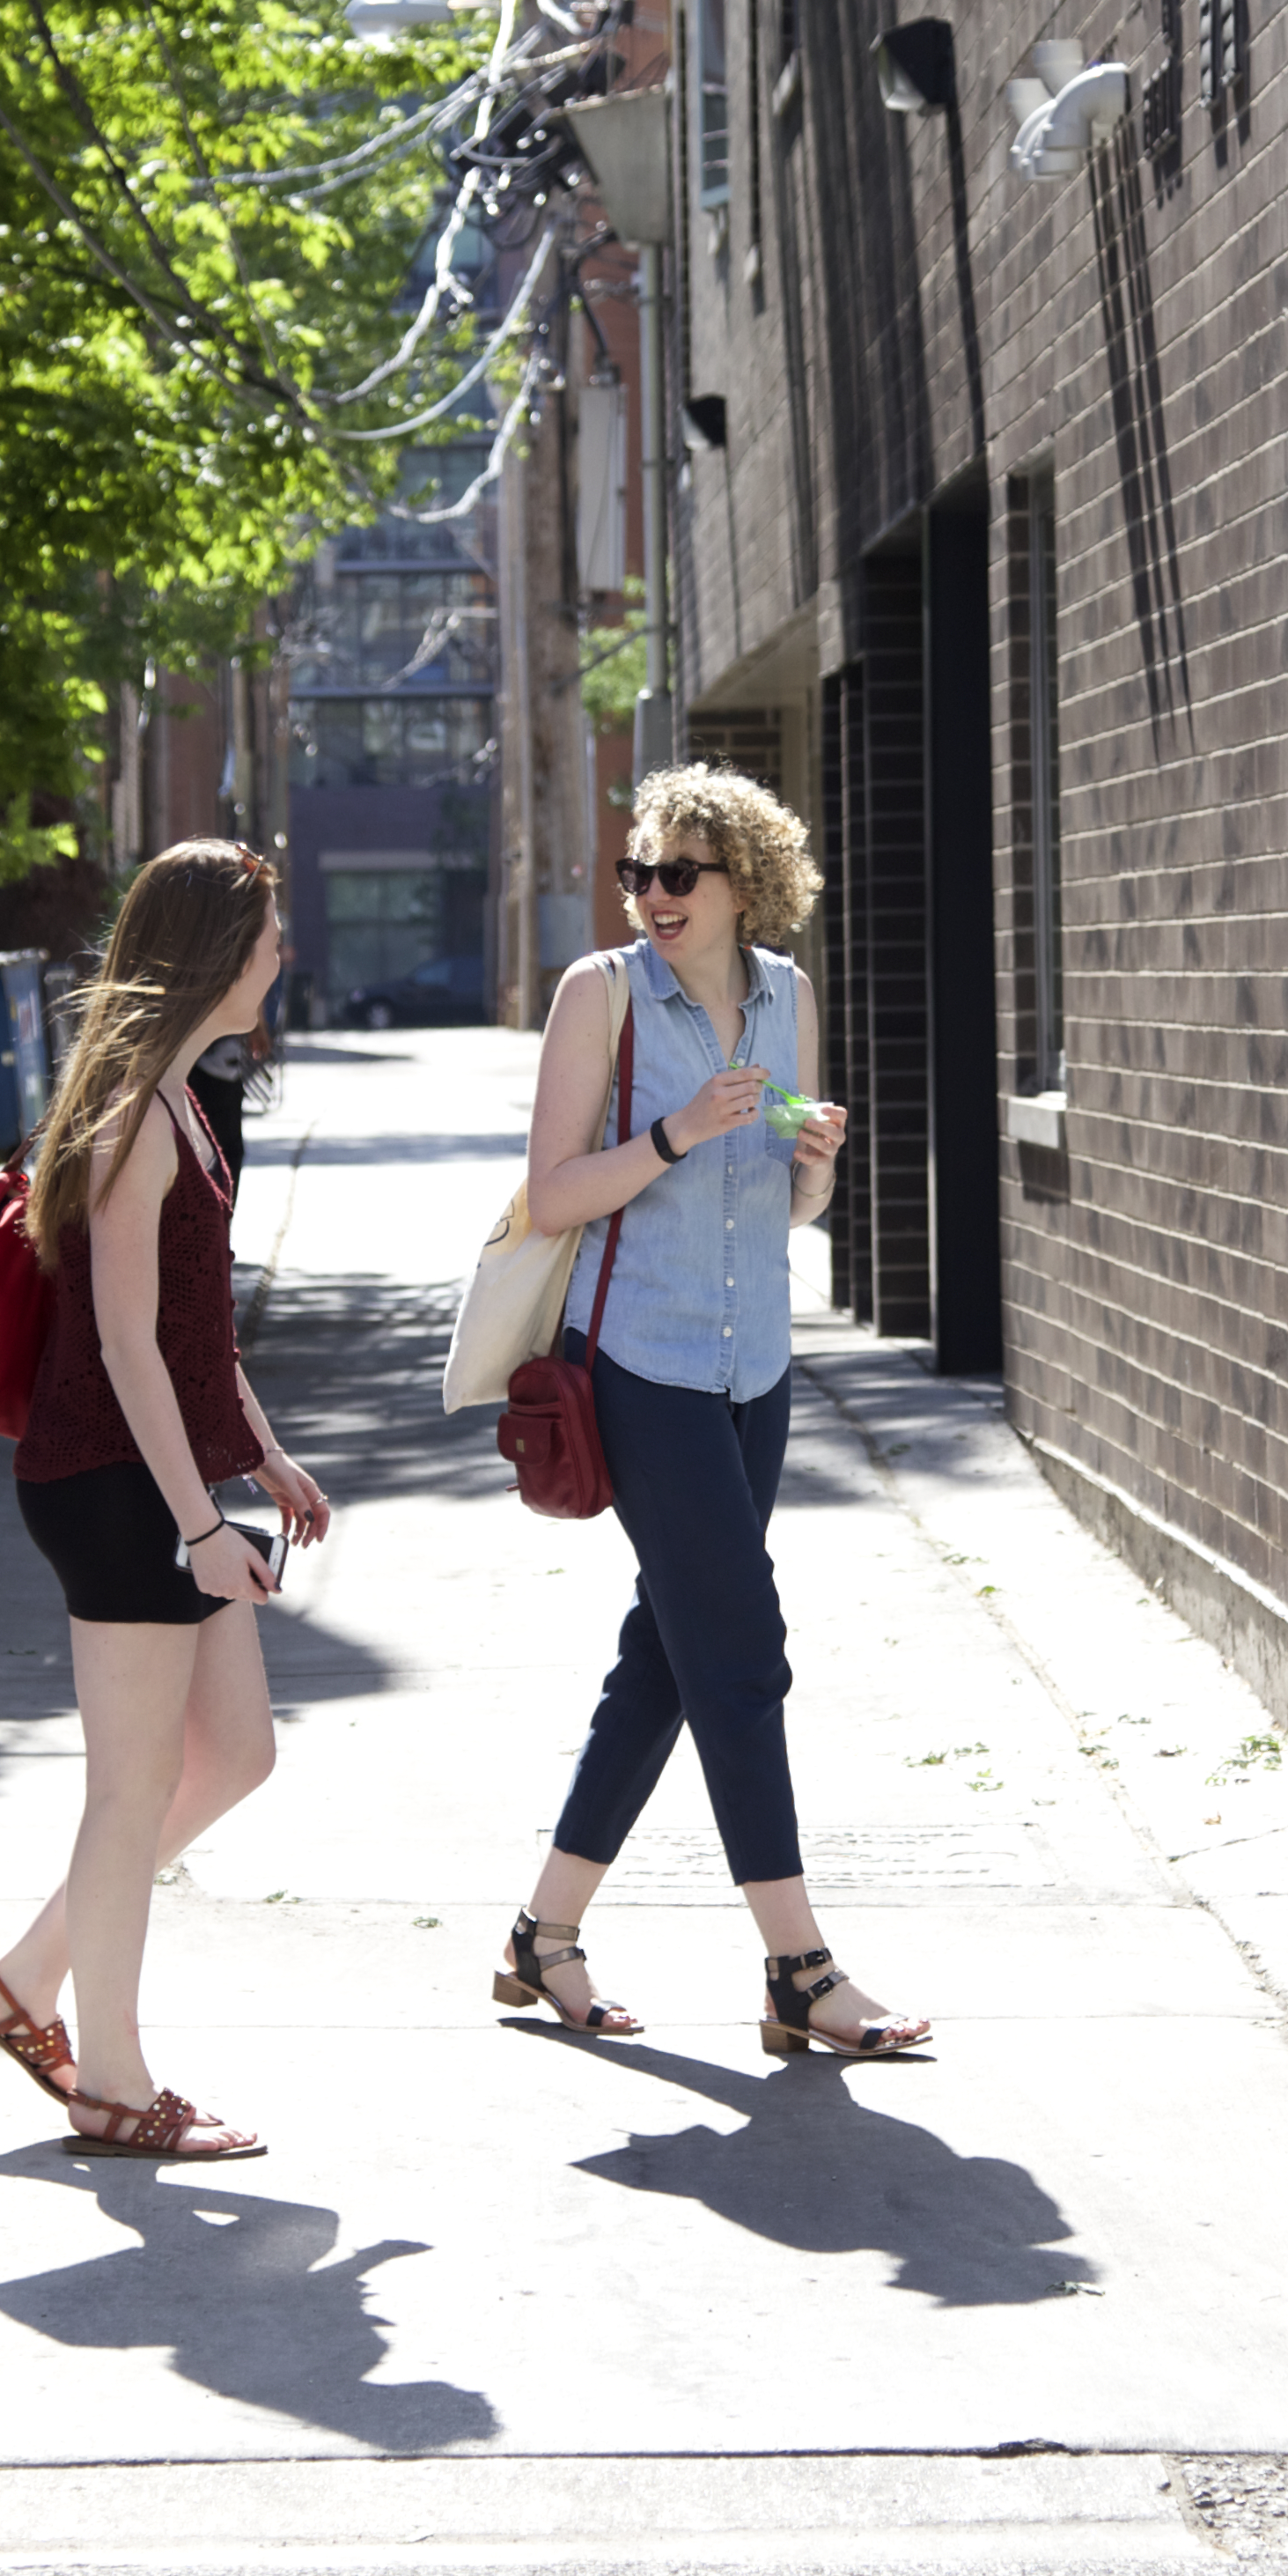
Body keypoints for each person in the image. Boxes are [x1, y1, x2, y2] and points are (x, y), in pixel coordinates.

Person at [491, 765, 932, 2060]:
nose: (654, 895)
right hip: (642, 1367)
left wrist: (812, 1170)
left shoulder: (786, 996)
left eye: (681, 873)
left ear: (747, 884)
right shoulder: (604, 994)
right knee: (741, 1652)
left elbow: (783, 1213)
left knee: (672, 1655)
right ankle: (798, 1965)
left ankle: (542, 1936)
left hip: (755, 1371)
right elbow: (550, 1197)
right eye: (640, 870)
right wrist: (675, 1135)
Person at [0, 842, 329, 2162]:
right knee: (132, 1792)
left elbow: (191, 1329)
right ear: (214, 955)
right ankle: (109, 2081)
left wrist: (260, 1457)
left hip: (160, 1483)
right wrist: (200, 1525)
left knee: (236, 1756)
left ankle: (24, 1981)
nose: (284, 957)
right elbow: (120, 1347)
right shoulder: (127, 1122)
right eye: (270, 937)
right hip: (113, 1492)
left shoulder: (182, 1108)